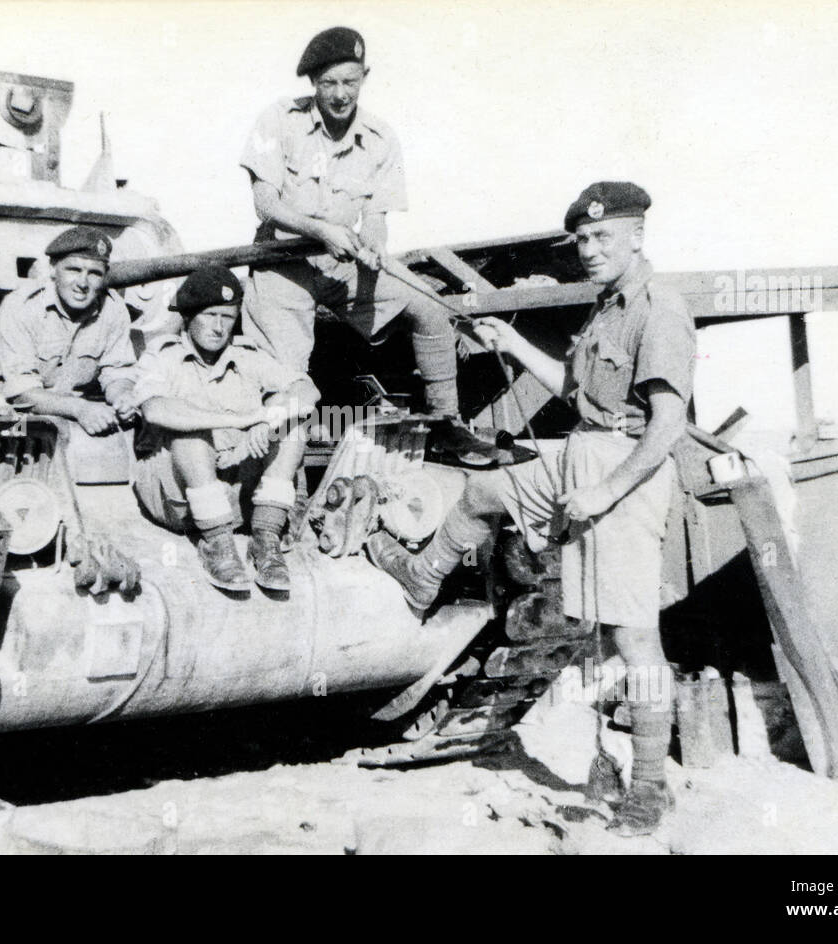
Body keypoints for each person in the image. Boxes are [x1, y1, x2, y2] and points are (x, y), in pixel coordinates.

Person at [368, 182, 696, 837]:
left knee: (634, 638)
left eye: (603, 237)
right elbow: (578, 393)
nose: (590, 250)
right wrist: (510, 343)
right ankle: (424, 572)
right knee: (487, 486)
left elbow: (667, 426)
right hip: (582, 452)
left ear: (637, 235)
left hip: (627, 472)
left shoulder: (659, 308)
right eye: (582, 239)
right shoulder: (606, 308)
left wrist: (605, 492)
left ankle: (649, 790)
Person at [239, 25, 491, 462]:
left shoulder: (380, 138)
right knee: (289, 382)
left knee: (428, 304)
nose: (339, 94)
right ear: (312, 83)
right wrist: (320, 231)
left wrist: (373, 244)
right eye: (328, 83)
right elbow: (266, 204)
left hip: (341, 264)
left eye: (349, 82)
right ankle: (284, 483)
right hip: (282, 268)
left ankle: (446, 426)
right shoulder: (279, 120)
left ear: (364, 77)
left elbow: (375, 217)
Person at [132, 265, 320, 593]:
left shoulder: (247, 356)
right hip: (177, 500)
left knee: (293, 426)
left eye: (228, 317)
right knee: (191, 436)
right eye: (210, 315)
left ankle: (266, 537)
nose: (219, 328)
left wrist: (269, 420)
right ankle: (216, 544)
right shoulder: (162, 356)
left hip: (232, 489)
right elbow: (155, 408)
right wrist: (239, 421)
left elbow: (307, 390)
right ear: (189, 316)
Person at [0, 225, 138, 435]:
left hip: (76, 412)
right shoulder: (21, 306)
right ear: (53, 269)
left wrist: (123, 396)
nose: (82, 283)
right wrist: (79, 409)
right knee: (19, 437)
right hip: (17, 412)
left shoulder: (113, 309)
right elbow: (21, 392)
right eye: (74, 270)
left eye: (95, 273)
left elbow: (117, 370)